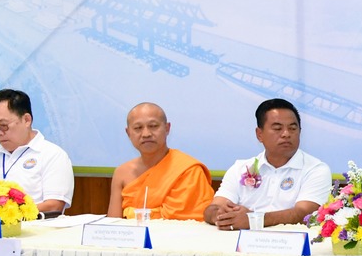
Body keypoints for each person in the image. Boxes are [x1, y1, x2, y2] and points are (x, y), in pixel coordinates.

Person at [203, 98, 331, 231]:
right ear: (259, 134)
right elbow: (211, 209)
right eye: (277, 128)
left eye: (292, 128)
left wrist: (253, 219)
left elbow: (305, 213)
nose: (286, 134)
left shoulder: (316, 169)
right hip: (242, 246)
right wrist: (221, 215)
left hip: (289, 245)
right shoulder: (240, 168)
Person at [0, 88, 74, 214]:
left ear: (26, 120)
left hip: (36, 231)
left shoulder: (52, 155)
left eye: (3, 125)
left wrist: (7, 214)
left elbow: (54, 206)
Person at [105, 102, 215, 221]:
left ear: (167, 128)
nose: (146, 134)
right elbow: (113, 223)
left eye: (153, 126)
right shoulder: (122, 173)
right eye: (138, 128)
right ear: (128, 133)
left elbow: (187, 219)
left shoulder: (188, 170)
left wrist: (131, 213)